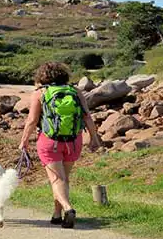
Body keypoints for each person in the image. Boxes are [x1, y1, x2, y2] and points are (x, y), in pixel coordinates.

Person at [19, 62, 101, 229]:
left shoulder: (40, 93)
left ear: (42, 76)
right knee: (63, 179)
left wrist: (24, 140)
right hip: (73, 141)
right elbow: (87, 117)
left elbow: (32, 121)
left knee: (57, 180)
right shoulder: (75, 91)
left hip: (49, 142)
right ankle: (57, 215)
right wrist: (94, 138)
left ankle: (68, 208)